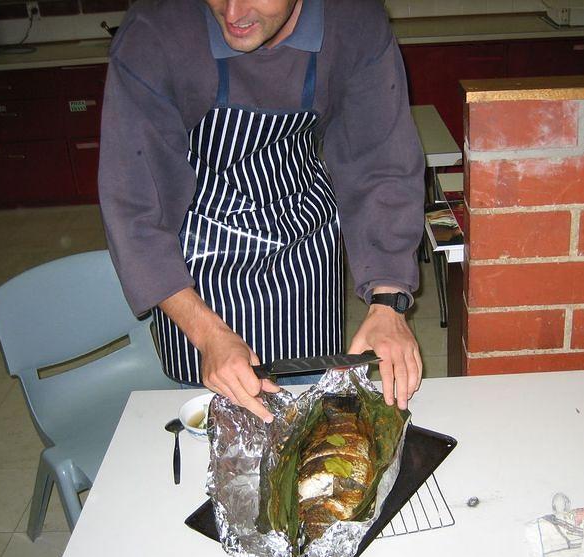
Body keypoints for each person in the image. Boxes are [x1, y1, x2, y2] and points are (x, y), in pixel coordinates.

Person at [99, 0, 425, 423]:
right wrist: (208, 335)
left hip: (303, 260)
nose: (233, 13)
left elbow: (382, 164)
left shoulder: (352, 21)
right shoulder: (156, 32)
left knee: (306, 431)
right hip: (197, 271)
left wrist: (388, 303)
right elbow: (134, 206)